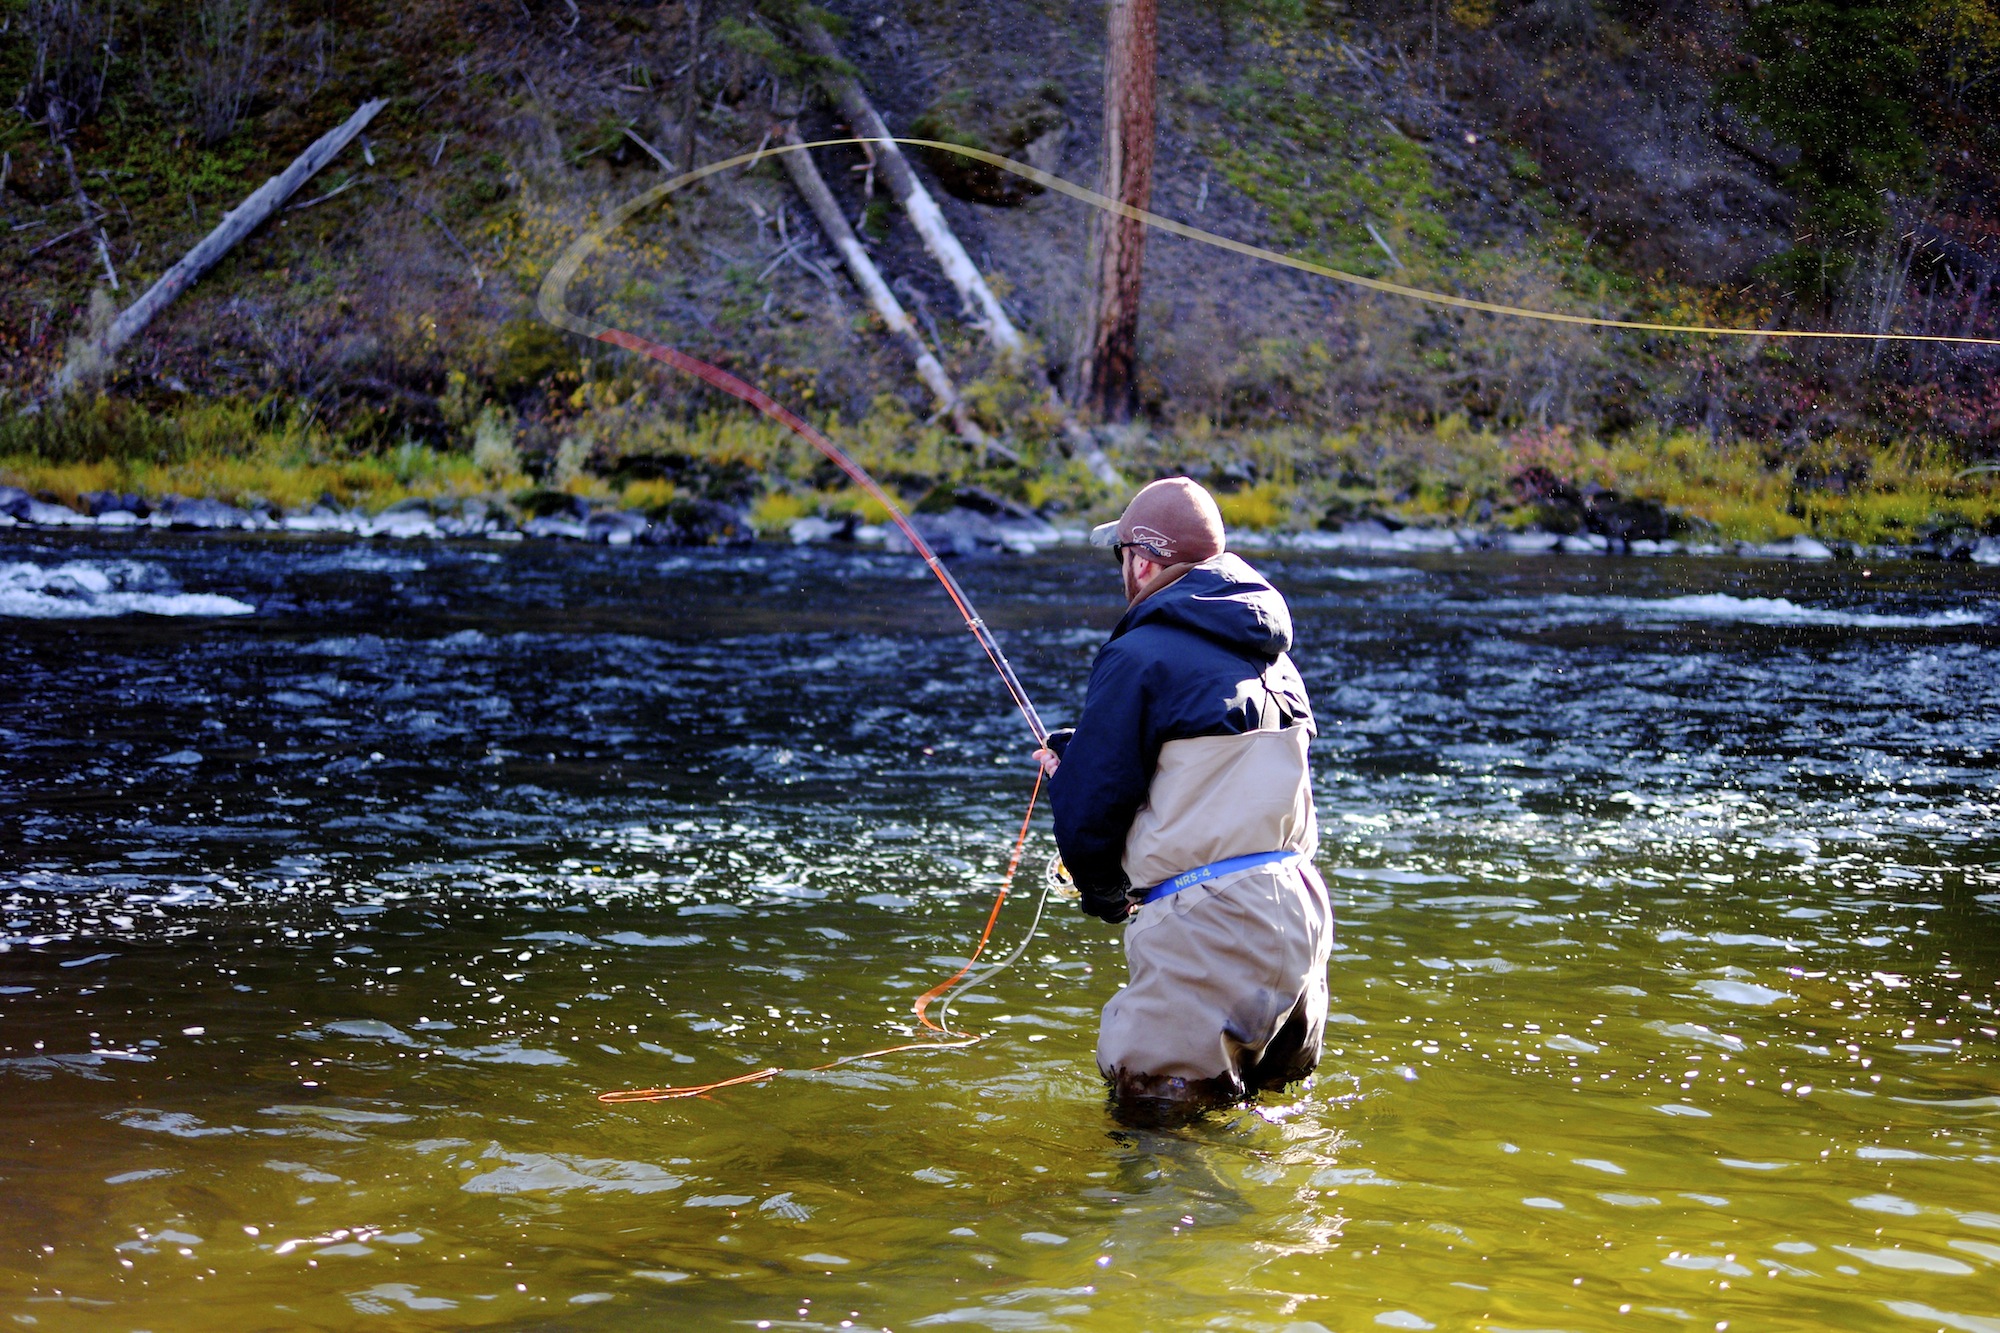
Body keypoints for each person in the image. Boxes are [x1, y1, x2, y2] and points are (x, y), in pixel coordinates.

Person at [1035, 477, 1332, 1125]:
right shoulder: (1277, 659)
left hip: (1209, 930)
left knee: (1155, 1140)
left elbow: (1090, 818)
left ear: (1142, 560)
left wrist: (1105, 893)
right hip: (1300, 924)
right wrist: (1083, 756)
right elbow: (1211, 779)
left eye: (1121, 556)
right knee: (1263, 1128)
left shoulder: (1139, 654)